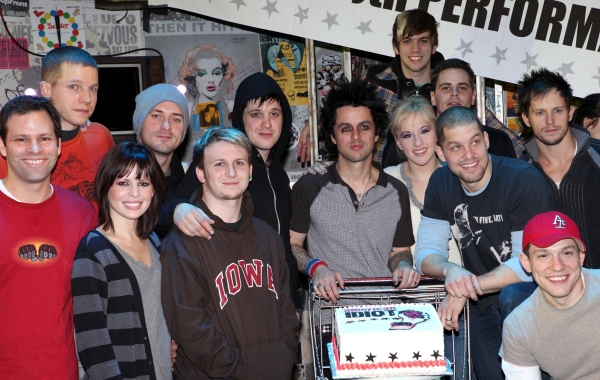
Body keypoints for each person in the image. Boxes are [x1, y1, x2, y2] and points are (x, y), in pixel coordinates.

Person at [414, 106, 552, 379]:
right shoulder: (441, 183)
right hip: (480, 302)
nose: (468, 156)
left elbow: (527, 266)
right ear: (440, 154)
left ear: (486, 141)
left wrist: (464, 289)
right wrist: (450, 271)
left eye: (475, 142)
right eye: (455, 148)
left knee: (511, 297)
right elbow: (426, 253)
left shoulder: (522, 179)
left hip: (530, 297)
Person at [157, 72, 304, 313]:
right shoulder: (222, 168)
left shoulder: (278, 174)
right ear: (241, 120)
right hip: (234, 309)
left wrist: (294, 303)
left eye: (274, 114)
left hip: (282, 308)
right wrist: (176, 209)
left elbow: (284, 247)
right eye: (256, 114)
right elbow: (162, 216)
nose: (266, 124)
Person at [160, 126, 298, 379]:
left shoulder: (268, 236)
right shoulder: (181, 245)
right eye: (219, 164)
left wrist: (284, 355)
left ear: (250, 171)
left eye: (239, 163)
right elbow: (191, 329)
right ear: (200, 173)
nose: (232, 172)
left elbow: (286, 311)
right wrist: (239, 370)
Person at [0, 95, 97, 379]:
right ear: (2, 146)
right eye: (21, 139)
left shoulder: (82, 212)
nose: (34, 148)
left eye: (44, 138)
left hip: (63, 371)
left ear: (57, 145)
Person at [72, 142, 172, 379]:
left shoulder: (155, 242)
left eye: (143, 183)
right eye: (123, 183)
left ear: (154, 190)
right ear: (106, 187)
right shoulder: (93, 251)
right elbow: (91, 341)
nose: (134, 193)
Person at [383, 96, 466, 378]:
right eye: (407, 135)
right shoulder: (384, 181)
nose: (417, 143)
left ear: (437, 133)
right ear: (398, 142)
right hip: (406, 306)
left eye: (424, 131)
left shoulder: (461, 175)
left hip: (459, 301)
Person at [0, 46, 114, 208]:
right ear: (46, 89)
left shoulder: (101, 135)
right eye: (74, 86)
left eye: (92, 89)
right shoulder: (16, 148)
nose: (87, 99)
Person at [500, 211, 600, 379]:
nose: (557, 266)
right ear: (526, 263)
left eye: (566, 253)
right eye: (544, 256)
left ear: (581, 257)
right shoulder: (518, 326)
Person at [518, 69, 600, 268]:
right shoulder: (520, 173)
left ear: (570, 112)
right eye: (540, 113)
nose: (550, 121)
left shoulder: (597, 156)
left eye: (557, 111)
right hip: (551, 290)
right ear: (526, 118)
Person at [365, 8, 444, 164]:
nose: (415, 48)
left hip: (440, 181)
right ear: (396, 47)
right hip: (382, 182)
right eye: (407, 40)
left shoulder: (447, 86)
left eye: (423, 40)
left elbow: (488, 125)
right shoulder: (375, 81)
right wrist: (313, 126)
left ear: (434, 46)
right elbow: (341, 115)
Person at [428, 58, 518, 161]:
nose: (454, 93)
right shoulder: (422, 144)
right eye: (445, 88)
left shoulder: (499, 141)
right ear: (433, 97)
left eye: (462, 88)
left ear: (473, 96)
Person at [177, 44, 237, 162]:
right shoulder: (185, 110)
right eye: (202, 74)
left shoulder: (233, 107)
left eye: (216, 73)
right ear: (192, 77)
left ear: (223, 75)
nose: (210, 80)